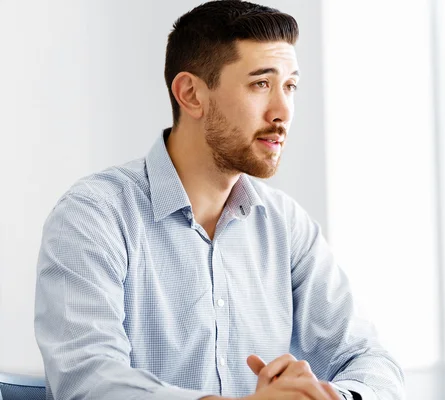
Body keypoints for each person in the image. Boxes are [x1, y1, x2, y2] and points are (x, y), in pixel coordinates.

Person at [34, 1, 405, 399]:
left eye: (290, 86)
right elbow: (89, 381)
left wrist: (328, 397)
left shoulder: (285, 225)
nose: (283, 111)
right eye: (261, 84)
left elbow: (371, 360)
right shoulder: (93, 215)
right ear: (191, 94)